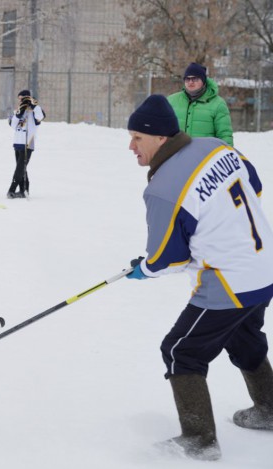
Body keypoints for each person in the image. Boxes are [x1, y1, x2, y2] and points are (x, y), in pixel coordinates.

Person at [125, 94, 273, 461]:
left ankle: (199, 439)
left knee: (180, 351)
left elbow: (166, 257)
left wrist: (143, 269)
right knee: (244, 336)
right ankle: (270, 409)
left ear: (160, 137)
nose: (131, 146)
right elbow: (253, 187)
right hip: (264, 267)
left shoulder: (161, 189)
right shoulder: (217, 147)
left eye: (137, 138)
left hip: (229, 282)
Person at [167, 62, 234, 145]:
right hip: (177, 155)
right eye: (187, 79)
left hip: (206, 156)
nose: (190, 82)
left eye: (195, 79)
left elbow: (225, 136)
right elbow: (161, 131)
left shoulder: (218, 104)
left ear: (203, 81)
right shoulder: (171, 101)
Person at [6, 89, 45, 199]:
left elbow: (40, 117)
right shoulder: (18, 111)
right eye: (19, 99)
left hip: (28, 142)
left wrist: (33, 105)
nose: (21, 101)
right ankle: (24, 190)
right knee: (22, 168)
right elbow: (13, 125)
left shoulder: (34, 112)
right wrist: (19, 113)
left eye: (22, 99)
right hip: (18, 142)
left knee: (20, 168)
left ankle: (12, 190)